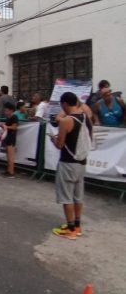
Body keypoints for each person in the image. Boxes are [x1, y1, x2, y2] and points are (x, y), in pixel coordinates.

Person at [50, 92, 92, 240]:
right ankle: (77, 225)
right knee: (78, 196)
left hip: (68, 163)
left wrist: (53, 139)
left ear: (64, 104)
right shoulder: (86, 117)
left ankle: (70, 228)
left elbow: (60, 145)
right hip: (82, 162)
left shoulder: (66, 121)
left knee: (66, 197)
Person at [1, 103, 18, 178]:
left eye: (7, 111)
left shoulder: (14, 117)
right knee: (8, 155)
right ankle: (8, 170)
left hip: (11, 137)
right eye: (5, 111)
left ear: (11, 110)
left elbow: (14, 127)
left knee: (10, 156)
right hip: (8, 137)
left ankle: (11, 172)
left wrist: (6, 127)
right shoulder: (9, 117)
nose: (5, 112)